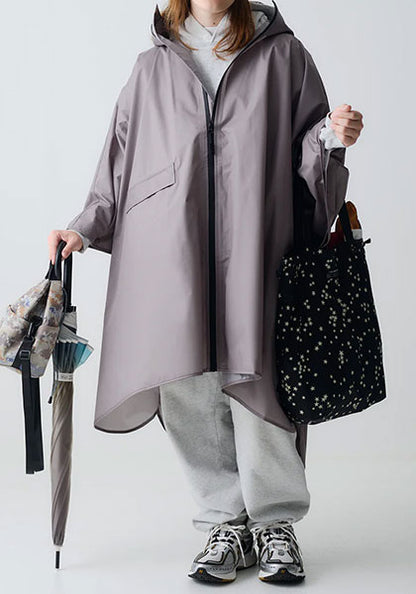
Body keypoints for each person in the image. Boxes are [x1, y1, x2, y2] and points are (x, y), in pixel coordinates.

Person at [48, 0, 363, 584]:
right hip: (172, 253)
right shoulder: (152, 67)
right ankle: (224, 522)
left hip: (256, 248)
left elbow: (308, 151)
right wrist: (83, 228)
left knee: (261, 382)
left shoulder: (283, 55)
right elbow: (118, 163)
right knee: (186, 386)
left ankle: (275, 523)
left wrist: (330, 136)